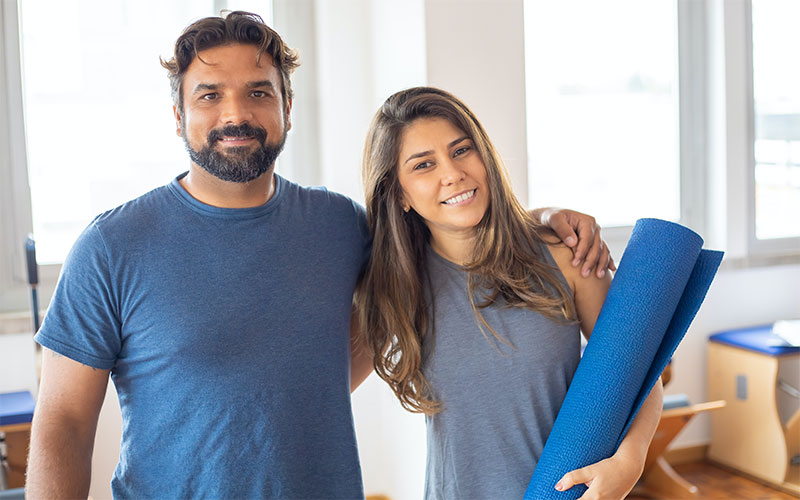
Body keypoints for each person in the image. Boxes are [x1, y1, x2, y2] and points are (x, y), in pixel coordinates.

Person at [26, 12, 612, 499]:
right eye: (210, 95)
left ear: (287, 108)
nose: (236, 114)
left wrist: (541, 220)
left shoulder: (339, 226)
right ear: (179, 114)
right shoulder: (112, 247)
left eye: (259, 92)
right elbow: (64, 424)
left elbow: (441, 234)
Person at [353, 87, 663, 500]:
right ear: (399, 193)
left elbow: (640, 370)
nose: (452, 173)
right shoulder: (393, 289)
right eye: (424, 164)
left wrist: (630, 461)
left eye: (461, 150)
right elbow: (327, 389)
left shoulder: (565, 256)